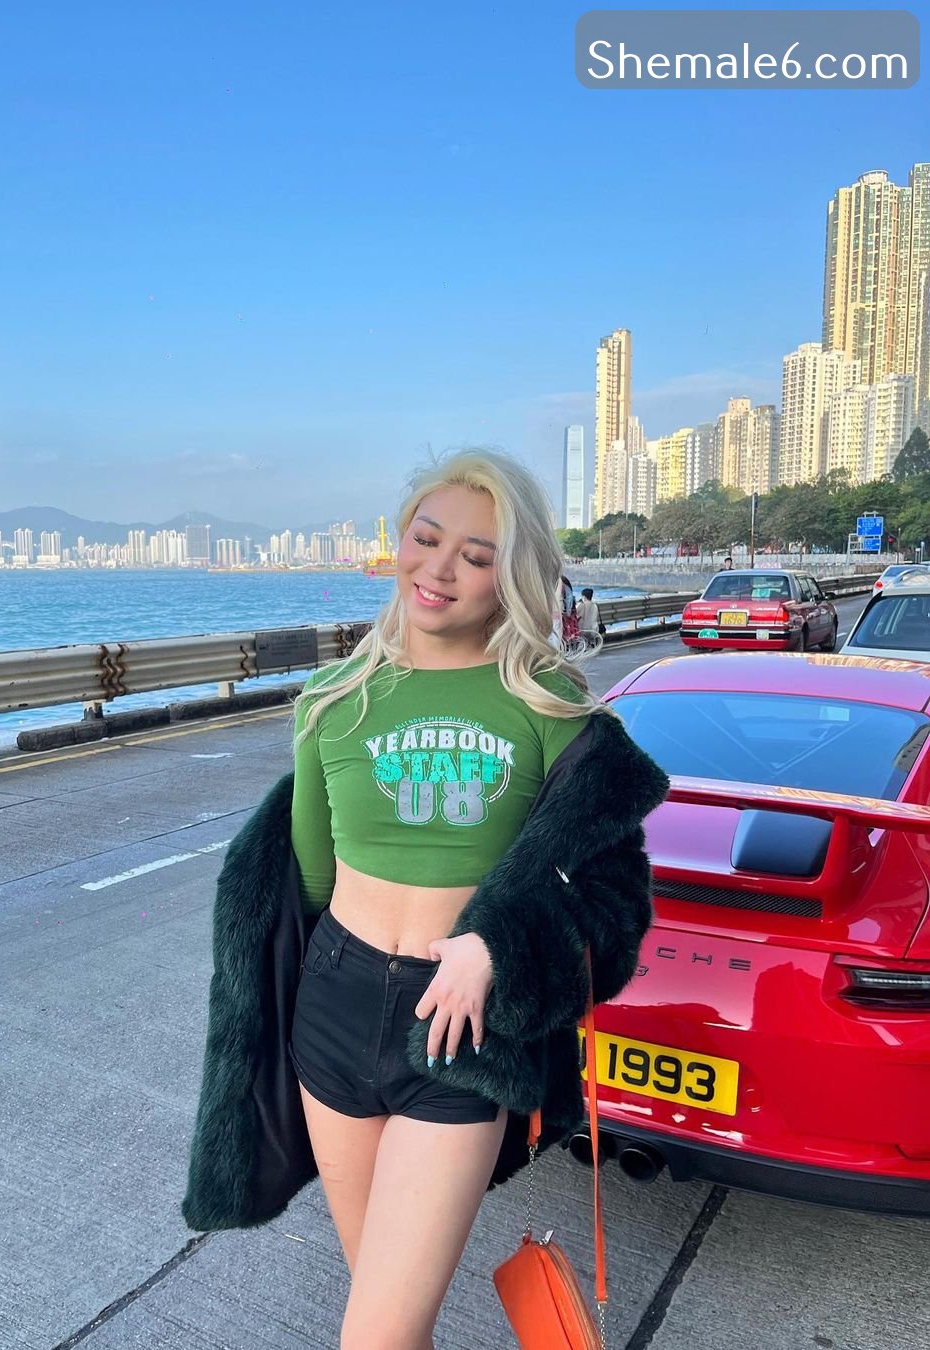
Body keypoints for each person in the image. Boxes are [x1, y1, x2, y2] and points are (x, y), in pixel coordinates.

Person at [183, 449, 668, 1350]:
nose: (440, 568)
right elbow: (312, 881)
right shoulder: (335, 698)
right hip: (332, 1008)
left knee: (375, 1335)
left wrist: (496, 946)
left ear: (508, 577)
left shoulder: (546, 705)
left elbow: (615, 903)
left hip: (460, 1030)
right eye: (426, 538)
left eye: (476, 556)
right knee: (387, 1312)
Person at [559, 572, 580, 643]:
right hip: (571, 621)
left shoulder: (564, 591)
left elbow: (568, 610)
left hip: (566, 620)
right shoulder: (570, 594)